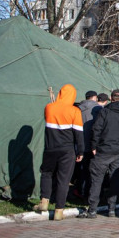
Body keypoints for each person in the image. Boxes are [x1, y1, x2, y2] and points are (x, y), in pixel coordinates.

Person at [79, 89, 119, 219]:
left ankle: (92, 210)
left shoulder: (104, 112)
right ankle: (112, 209)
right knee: (115, 179)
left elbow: (96, 129)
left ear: (111, 98)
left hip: (103, 150)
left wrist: (93, 146)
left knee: (96, 179)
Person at [35, 84, 84, 221]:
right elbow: (79, 134)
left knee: (46, 173)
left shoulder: (49, 107)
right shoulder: (75, 111)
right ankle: (59, 211)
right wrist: (80, 151)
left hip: (50, 148)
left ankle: (44, 201)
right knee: (64, 179)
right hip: (67, 151)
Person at [74, 90, 99, 198]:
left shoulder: (77, 108)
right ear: (95, 97)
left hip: (78, 142)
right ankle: (87, 192)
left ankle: (78, 190)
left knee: (79, 169)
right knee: (90, 170)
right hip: (92, 143)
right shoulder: (98, 109)